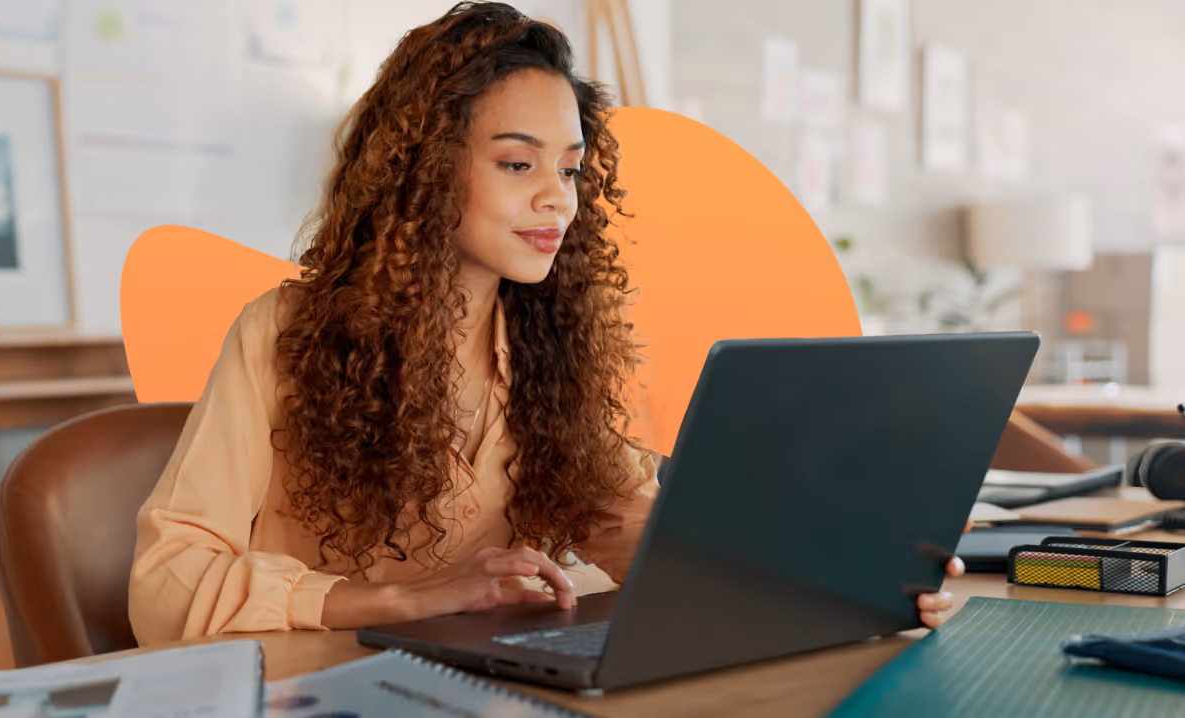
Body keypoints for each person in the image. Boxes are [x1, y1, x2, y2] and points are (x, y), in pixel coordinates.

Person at [127, 1, 962, 646]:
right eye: (517, 163)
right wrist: (399, 598)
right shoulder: (283, 332)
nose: (556, 199)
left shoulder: (542, 345)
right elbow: (166, 583)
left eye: (568, 169)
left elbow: (635, 531)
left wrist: (837, 575)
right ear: (422, 171)